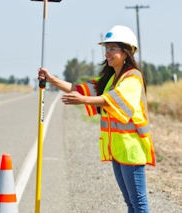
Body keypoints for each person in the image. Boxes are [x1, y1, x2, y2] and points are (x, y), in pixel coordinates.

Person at [38, 25, 155, 213]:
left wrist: (83, 100)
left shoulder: (133, 77)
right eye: (106, 49)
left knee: (139, 204)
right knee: (131, 204)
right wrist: (52, 80)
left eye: (112, 49)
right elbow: (80, 89)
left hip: (132, 151)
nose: (107, 53)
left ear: (126, 52)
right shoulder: (111, 78)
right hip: (118, 150)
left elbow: (113, 99)